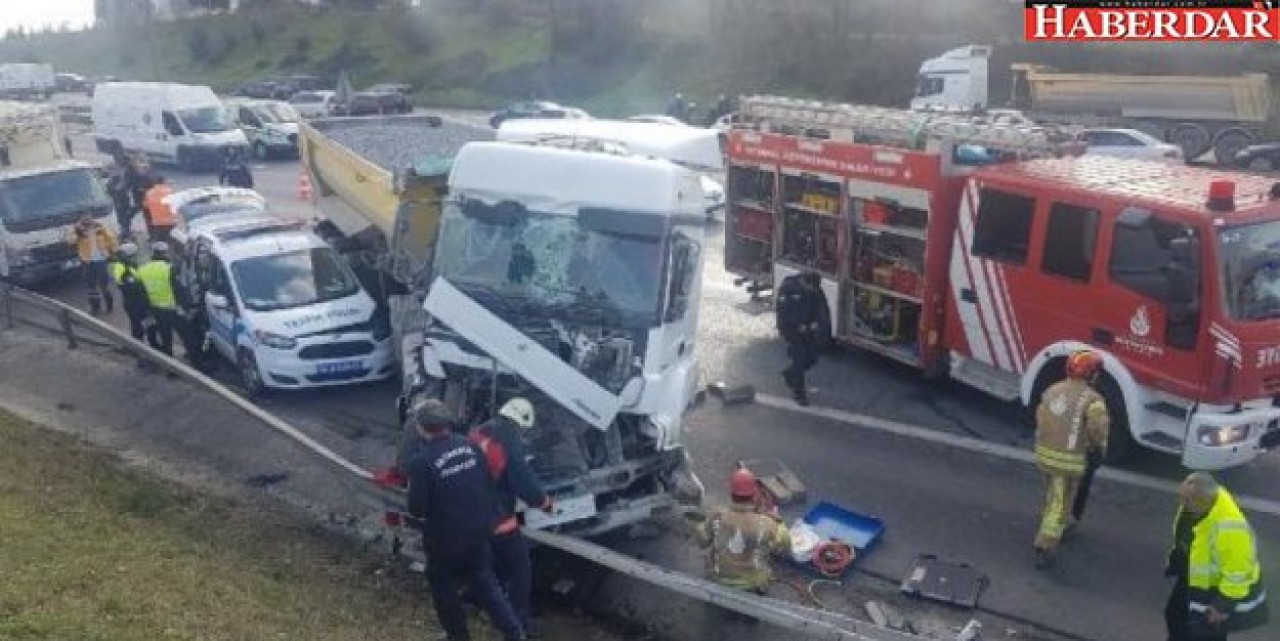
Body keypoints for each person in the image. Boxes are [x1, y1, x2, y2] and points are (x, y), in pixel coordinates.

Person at [403, 398, 526, 641]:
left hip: (445, 540)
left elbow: (417, 508)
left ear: (420, 427)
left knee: (443, 587)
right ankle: (514, 632)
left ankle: (457, 635)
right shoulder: (470, 446)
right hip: (479, 530)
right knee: (486, 582)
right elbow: (487, 483)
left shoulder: (421, 462)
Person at [468, 397, 554, 636]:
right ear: (522, 423)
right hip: (496, 516)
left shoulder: (480, 430)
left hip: (470, 512)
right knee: (520, 568)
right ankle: (518, 620)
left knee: (487, 565)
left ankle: (479, 603)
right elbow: (521, 480)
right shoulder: (509, 439)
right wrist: (544, 502)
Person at [1165, 472, 1268, 641]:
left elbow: (1238, 574)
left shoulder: (1232, 529)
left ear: (1204, 502)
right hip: (1192, 582)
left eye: (1186, 500)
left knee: (1204, 634)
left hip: (1214, 593)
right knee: (1175, 617)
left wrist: (1222, 606)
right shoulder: (1194, 507)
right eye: (1181, 497)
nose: (1181, 503)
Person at [1031, 349, 1109, 569]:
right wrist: (1097, 448)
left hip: (1044, 455)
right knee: (1061, 503)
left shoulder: (1051, 390)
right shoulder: (1094, 400)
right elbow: (1098, 428)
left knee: (1052, 495)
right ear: (1092, 375)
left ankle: (1050, 522)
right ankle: (1045, 544)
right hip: (1068, 461)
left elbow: (1040, 418)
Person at [696, 468, 790, 593]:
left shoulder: (717, 515)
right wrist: (779, 521)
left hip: (719, 577)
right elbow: (784, 547)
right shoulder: (767, 523)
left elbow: (702, 542)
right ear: (754, 494)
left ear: (731, 493)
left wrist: (702, 525)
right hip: (751, 584)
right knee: (765, 563)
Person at [775, 271, 828, 406]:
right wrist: (798, 325)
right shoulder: (789, 288)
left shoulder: (815, 290)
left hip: (807, 329)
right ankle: (799, 393)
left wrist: (817, 324)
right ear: (804, 282)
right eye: (810, 289)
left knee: (812, 358)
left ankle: (790, 373)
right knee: (800, 357)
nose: (812, 292)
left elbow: (821, 308)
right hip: (791, 329)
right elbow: (784, 311)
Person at [67, 213, 118, 316]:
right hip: (87, 261)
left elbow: (111, 238)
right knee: (91, 286)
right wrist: (78, 233)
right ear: (80, 219)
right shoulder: (76, 229)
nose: (87, 220)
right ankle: (96, 307)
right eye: (84, 218)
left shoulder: (99, 226)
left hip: (101, 259)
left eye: (89, 217)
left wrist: (114, 250)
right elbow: (70, 241)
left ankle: (109, 306)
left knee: (104, 284)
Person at [137, 242, 182, 356]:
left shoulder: (142, 269)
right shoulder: (169, 268)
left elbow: (141, 292)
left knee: (164, 336)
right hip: (172, 308)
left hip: (154, 308)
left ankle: (169, 363)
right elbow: (178, 289)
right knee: (185, 335)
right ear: (165, 253)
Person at [110, 242, 150, 341]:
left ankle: (139, 344)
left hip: (134, 301)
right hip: (133, 302)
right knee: (137, 326)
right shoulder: (124, 269)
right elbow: (132, 286)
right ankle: (138, 347)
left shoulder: (128, 265)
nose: (135, 257)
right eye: (133, 255)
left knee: (139, 324)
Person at [143, 175, 177, 244]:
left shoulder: (149, 193)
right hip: (171, 221)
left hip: (158, 222)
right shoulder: (169, 191)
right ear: (164, 182)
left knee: (160, 242)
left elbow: (146, 205)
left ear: (154, 183)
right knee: (173, 241)